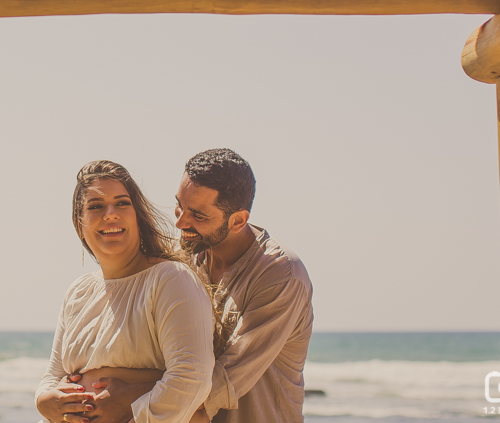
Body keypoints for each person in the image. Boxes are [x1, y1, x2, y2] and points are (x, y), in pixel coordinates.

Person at [68, 149, 314, 423]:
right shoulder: (185, 255)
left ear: (238, 220)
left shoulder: (280, 274)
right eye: (179, 205)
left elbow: (222, 381)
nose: (180, 222)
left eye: (198, 215)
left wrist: (129, 398)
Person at [35, 160, 215, 423]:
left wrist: (132, 410)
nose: (110, 214)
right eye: (96, 206)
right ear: (79, 223)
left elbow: (192, 378)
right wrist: (43, 400)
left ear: (137, 215)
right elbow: (53, 374)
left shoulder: (171, 279)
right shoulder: (78, 292)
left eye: (122, 203)